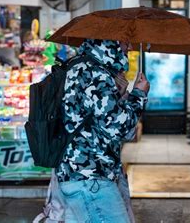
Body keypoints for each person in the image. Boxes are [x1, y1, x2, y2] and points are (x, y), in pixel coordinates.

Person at [57, 39, 150, 222]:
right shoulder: (96, 74)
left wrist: (122, 96)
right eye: (126, 42)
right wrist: (139, 95)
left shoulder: (84, 67)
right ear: (112, 42)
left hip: (78, 174)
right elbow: (119, 127)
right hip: (91, 178)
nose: (130, 47)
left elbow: (99, 122)